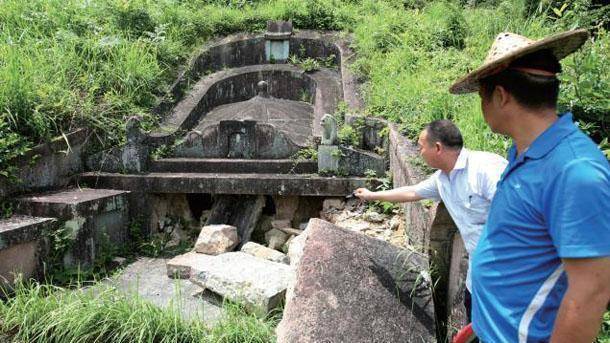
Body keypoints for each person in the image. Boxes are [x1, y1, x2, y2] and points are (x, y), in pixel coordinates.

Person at [449, 29, 610, 342]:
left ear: (501, 96)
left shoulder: (575, 172)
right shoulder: (527, 154)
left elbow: (590, 294)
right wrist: (482, 322)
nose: (482, 107)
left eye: (482, 98)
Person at [354, 119, 507, 321]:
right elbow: (411, 192)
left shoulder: (485, 169)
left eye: (420, 147)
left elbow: (520, 217)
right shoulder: (442, 179)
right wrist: (371, 195)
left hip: (509, 277)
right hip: (478, 277)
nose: (419, 152)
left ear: (437, 148)